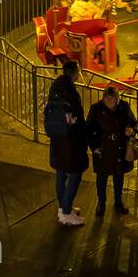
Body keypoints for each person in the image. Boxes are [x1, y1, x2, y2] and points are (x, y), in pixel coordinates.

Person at [47, 61, 88, 227]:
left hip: (57, 137)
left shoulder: (55, 87)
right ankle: (66, 213)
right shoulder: (70, 91)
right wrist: (83, 132)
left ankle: (64, 207)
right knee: (75, 173)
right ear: (75, 72)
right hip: (70, 140)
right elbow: (75, 116)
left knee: (61, 172)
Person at [86, 84, 135, 217]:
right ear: (103, 98)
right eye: (107, 98)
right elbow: (89, 130)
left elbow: (134, 122)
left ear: (117, 98)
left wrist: (131, 129)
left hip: (119, 147)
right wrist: (94, 147)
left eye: (112, 99)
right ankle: (101, 203)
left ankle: (118, 203)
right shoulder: (95, 108)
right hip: (103, 148)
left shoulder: (124, 107)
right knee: (102, 177)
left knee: (119, 176)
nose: (109, 101)